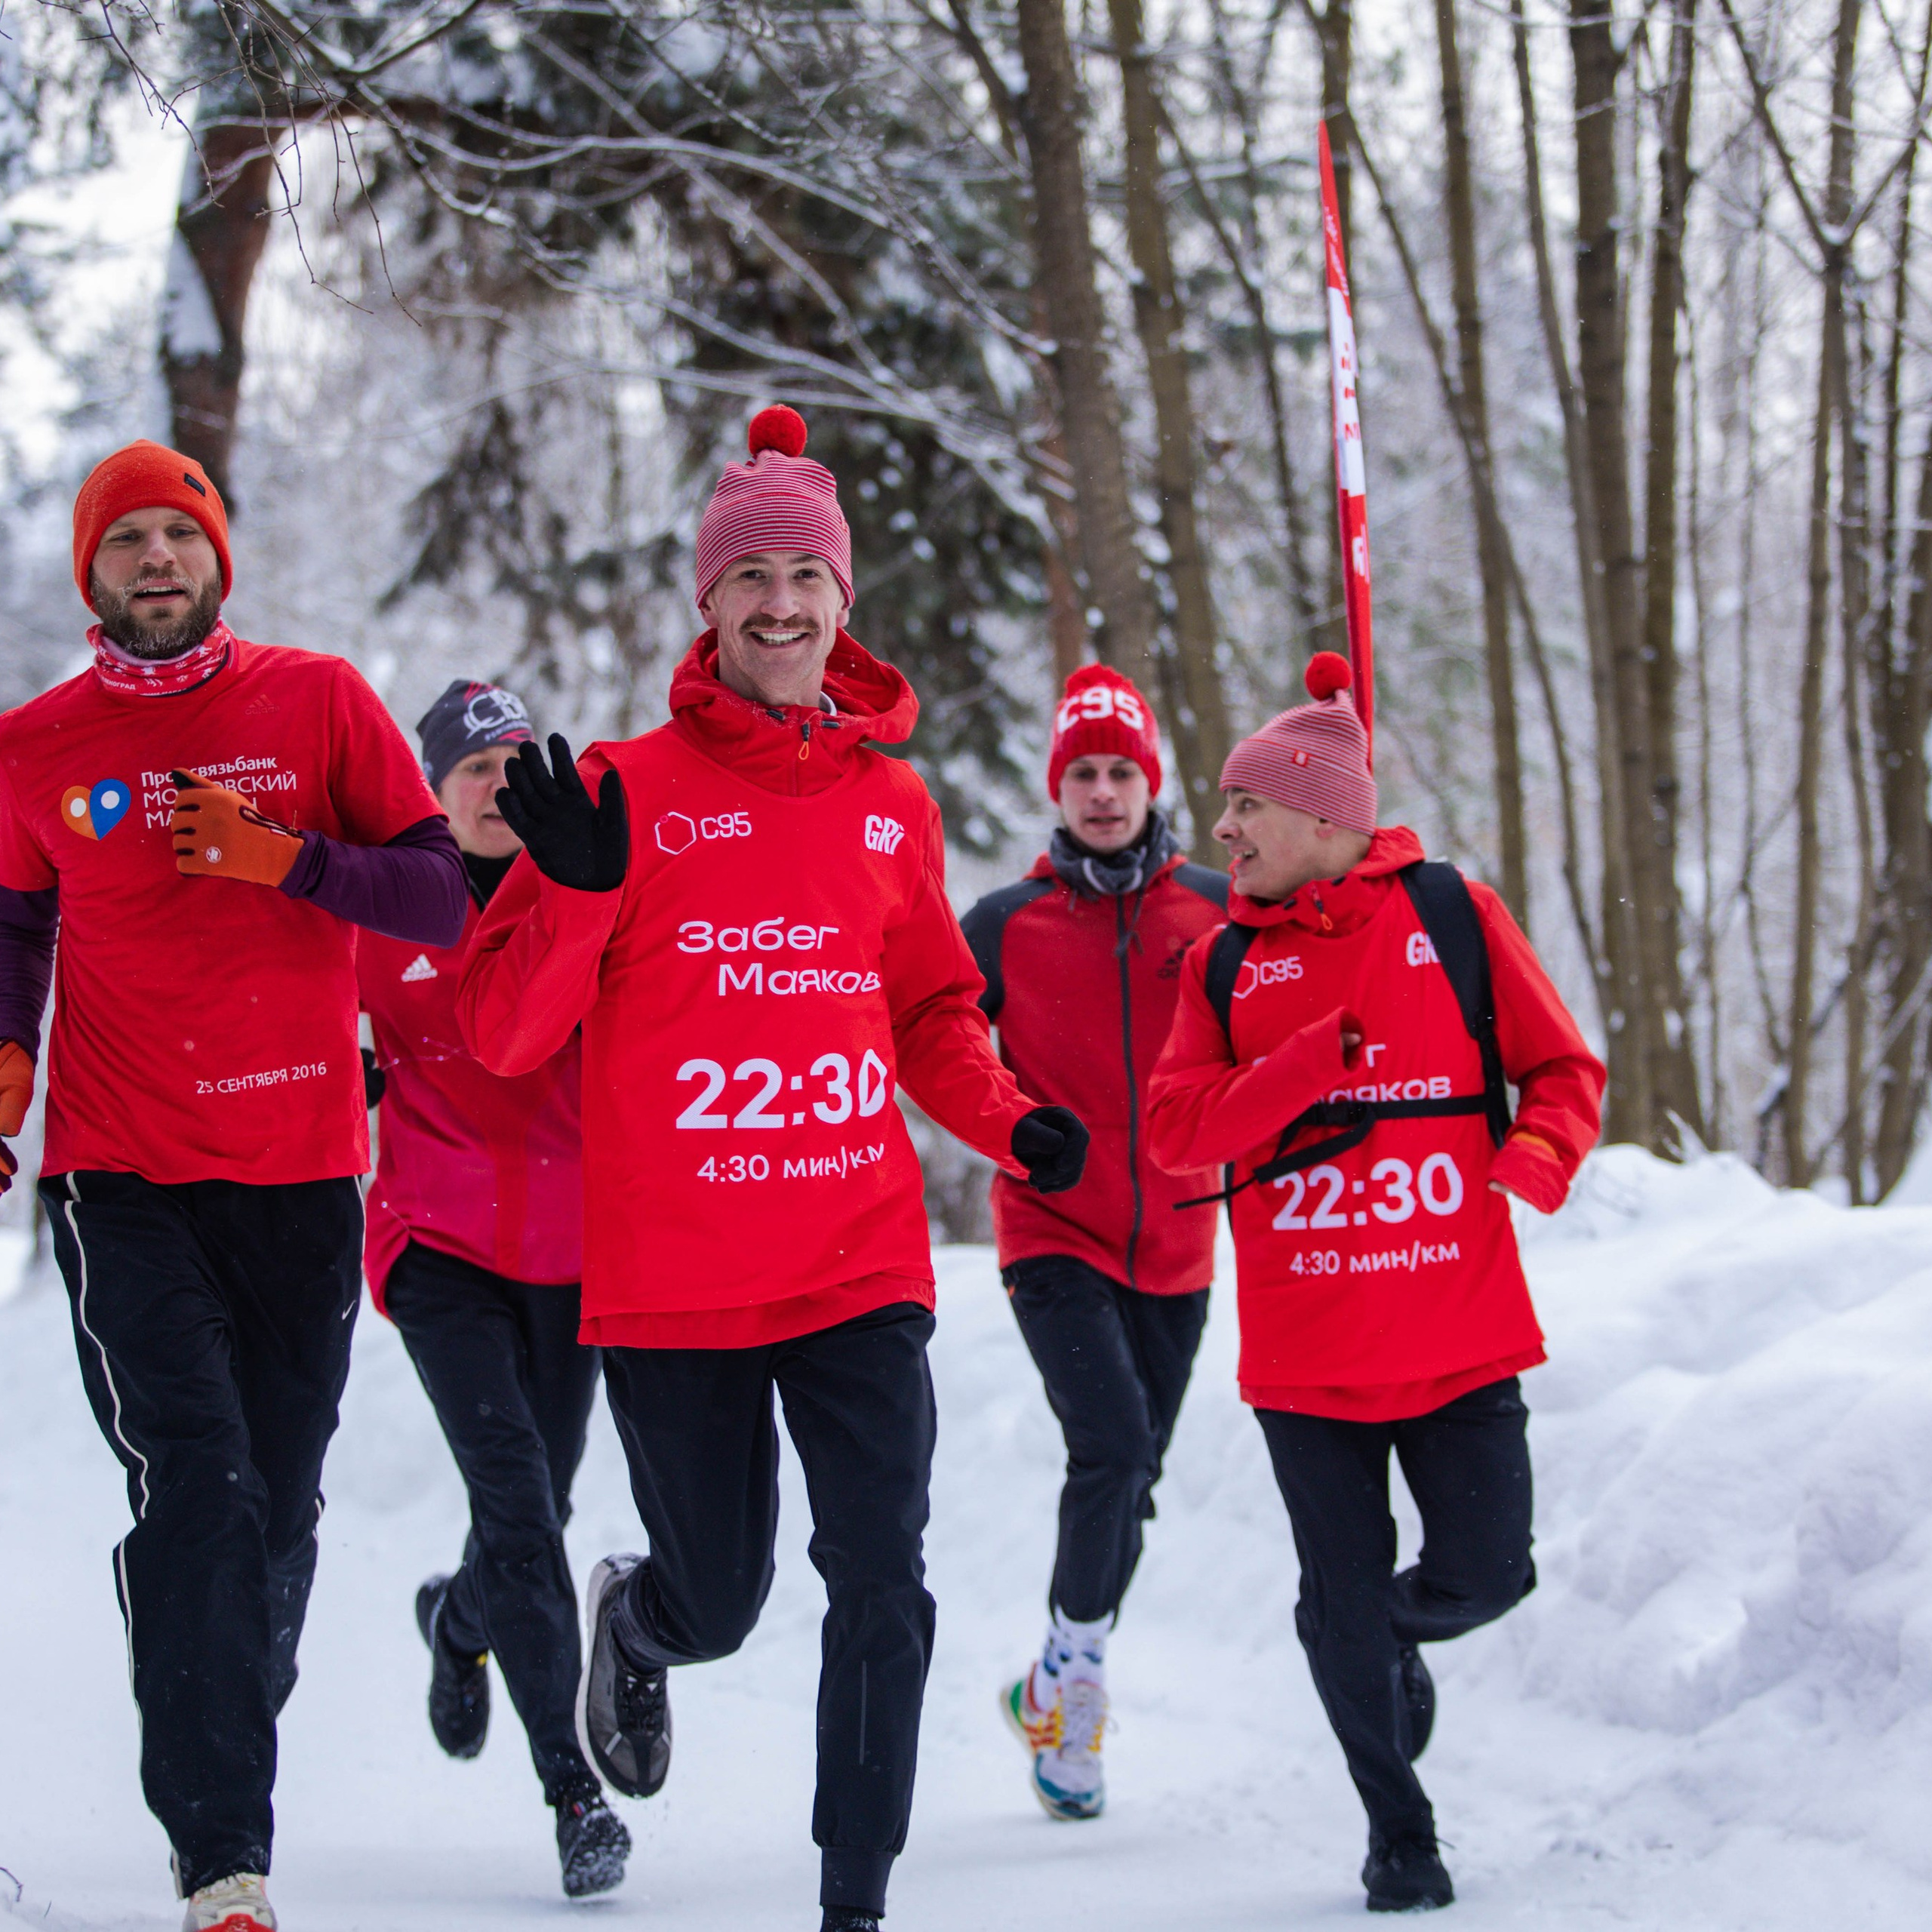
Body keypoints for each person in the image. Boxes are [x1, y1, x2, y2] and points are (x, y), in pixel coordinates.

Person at [457, 405, 1088, 1932]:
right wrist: (583, 895)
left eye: (810, 574)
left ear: (843, 602)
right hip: (675, 1283)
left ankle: (852, 1898)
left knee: (884, 1575)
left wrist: (1010, 1117)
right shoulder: (616, 787)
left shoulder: (891, 804)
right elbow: (500, 1027)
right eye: (754, 577)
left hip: (856, 1259)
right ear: (709, 603)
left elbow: (933, 1007)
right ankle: (647, 1615)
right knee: (723, 1598)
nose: (783, 604)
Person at [0, 441, 467, 1932]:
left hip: (303, 1168)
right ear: (92, 571)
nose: (154, 558)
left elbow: (438, 893)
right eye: (124, 538)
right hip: (119, 1172)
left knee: (267, 1519)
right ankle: (224, 1857)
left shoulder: (317, 698)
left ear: (218, 557)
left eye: (176, 535)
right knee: (196, 1482)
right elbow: (10, 934)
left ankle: (205, 1688)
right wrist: (4, 1062)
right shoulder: (34, 746)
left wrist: (289, 859)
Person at [1145, 652, 1604, 1914]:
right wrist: (1299, 1066)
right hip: (1309, 1358)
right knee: (1335, 1602)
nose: (1222, 829)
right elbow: (1178, 1132)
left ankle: (1386, 1633)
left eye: (1246, 806)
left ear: (1324, 820)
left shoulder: (1455, 915)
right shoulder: (1224, 969)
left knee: (1487, 1575)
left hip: (1458, 1330)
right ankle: (1398, 1827)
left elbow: (1565, 1071)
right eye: (1227, 807)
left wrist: (1533, 1160)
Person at [358, 677, 628, 1899]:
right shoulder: (380, 927)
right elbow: (321, 1049)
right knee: (519, 1505)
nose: (494, 787)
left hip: (574, 1256)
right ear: (434, 792)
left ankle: (457, 1621)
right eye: (471, 769)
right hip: (438, 1246)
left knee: (541, 1513)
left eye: (513, 764)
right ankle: (573, 1792)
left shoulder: (582, 904)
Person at [959, 664, 1227, 1822]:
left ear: (1151, 781)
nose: (1104, 792)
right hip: (1051, 1230)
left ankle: (1047, 1677)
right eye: (1084, 773)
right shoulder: (1006, 924)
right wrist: (1014, 1126)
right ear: (1056, 787)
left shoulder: (1218, 908)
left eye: (1122, 771)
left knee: (1136, 1478)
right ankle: (1078, 1676)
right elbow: (929, 1040)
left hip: (1179, 1236)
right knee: (1112, 1451)